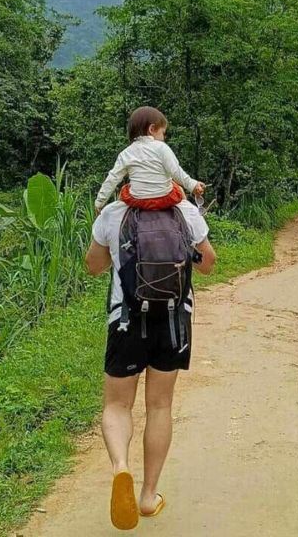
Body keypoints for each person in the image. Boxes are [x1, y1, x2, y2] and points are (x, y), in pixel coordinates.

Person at [85, 194, 216, 530]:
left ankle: (120, 467)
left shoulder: (116, 213)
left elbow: (93, 266)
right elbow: (207, 263)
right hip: (173, 323)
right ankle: (148, 496)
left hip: (126, 320)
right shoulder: (185, 211)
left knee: (117, 405)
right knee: (159, 406)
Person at [94, 106, 206, 215]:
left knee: (125, 189)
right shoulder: (162, 147)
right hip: (164, 199)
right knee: (178, 188)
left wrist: (99, 202)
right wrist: (193, 185)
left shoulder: (126, 153)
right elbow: (176, 171)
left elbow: (112, 178)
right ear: (152, 129)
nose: (164, 137)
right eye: (163, 133)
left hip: (138, 201)